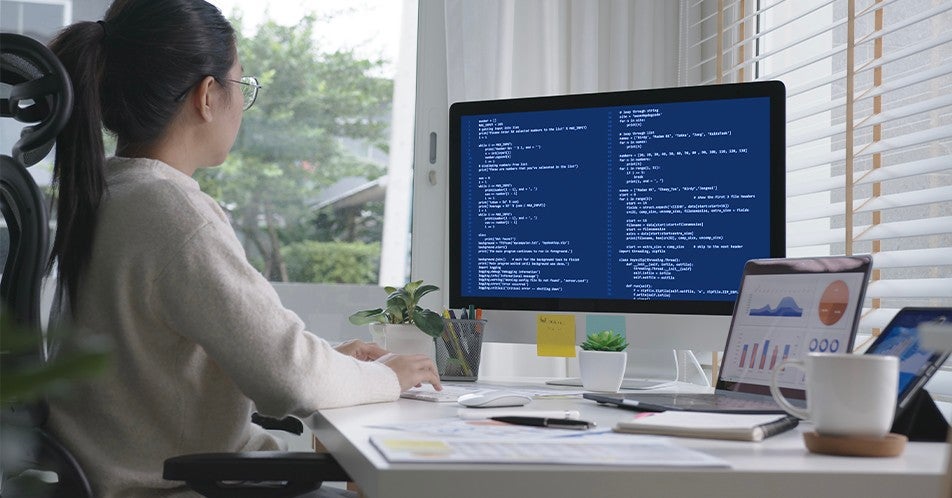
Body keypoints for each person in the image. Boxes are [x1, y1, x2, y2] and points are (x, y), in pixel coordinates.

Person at [43, 1, 441, 496]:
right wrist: (388, 378)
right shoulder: (172, 211)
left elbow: (192, 361)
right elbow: (288, 379)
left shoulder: (108, 190)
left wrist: (335, 360)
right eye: (242, 85)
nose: (242, 104)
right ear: (208, 95)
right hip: (179, 487)